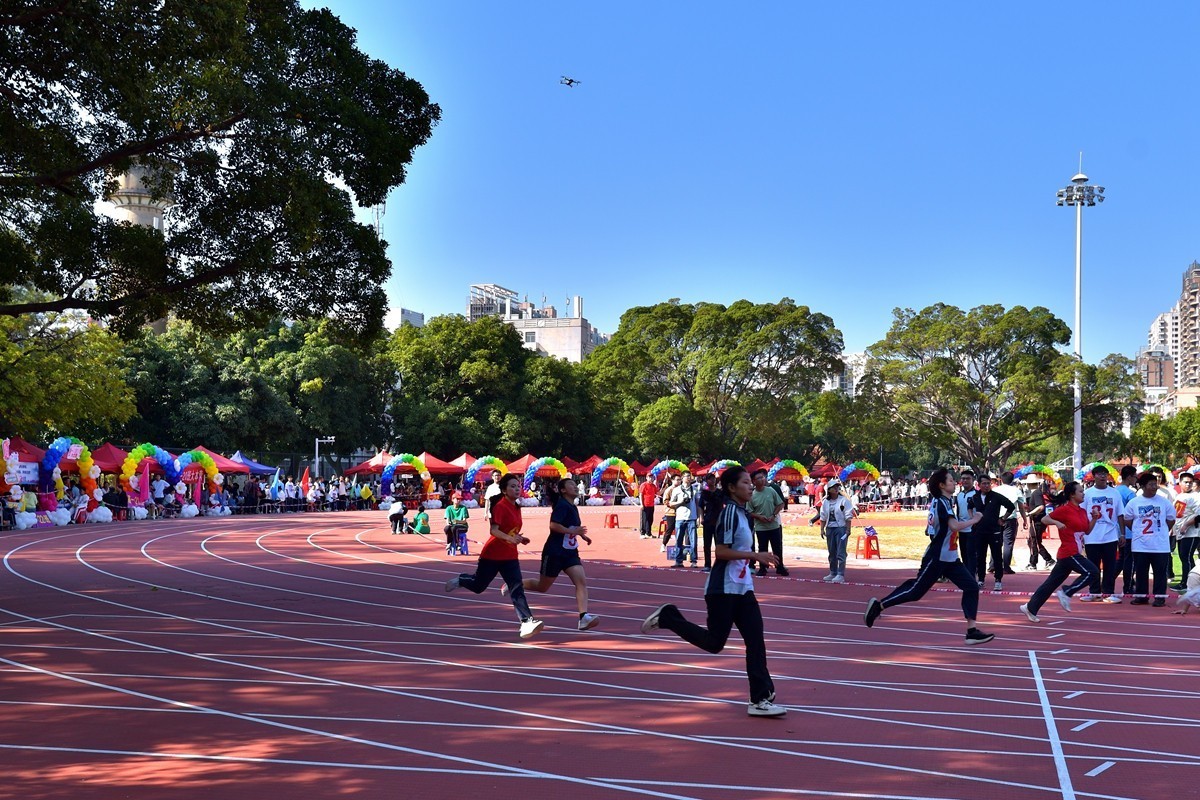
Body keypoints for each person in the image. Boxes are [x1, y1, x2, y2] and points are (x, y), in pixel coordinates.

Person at [640, 466, 787, 718]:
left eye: (751, 482)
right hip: (722, 589)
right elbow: (721, 552)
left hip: (743, 589)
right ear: (731, 487)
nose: (751, 486)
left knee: (755, 640)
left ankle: (760, 697)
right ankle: (669, 618)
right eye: (745, 483)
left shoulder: (743, 512)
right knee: (714, 644)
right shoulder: (729, 513)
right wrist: (755, 555)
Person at [864, 468, 995, 645]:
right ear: (941, 485)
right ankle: (879, 606)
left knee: (971, 587)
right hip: (937, 557)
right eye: (950, 480)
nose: (954, 483)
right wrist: (975, 519)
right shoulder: (941, 503)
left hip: (950, 558)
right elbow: (954, 526)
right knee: (915, 592)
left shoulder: (947, 502)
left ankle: (971, 631)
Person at [445, 473, 544, 638]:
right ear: (504, 490)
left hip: (510, 555)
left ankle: (526, 621)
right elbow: (494, 530)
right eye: (512, 486)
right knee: (479, 586)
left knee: (516, 586)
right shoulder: (500, 506)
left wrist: (519, 538)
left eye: (518, 486)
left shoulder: (516, 507)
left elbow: (511, 530)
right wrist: (510, 538)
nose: (517, 489)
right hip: (492, 554)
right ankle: (462, 580)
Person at [504, 477, 599, 630]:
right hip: (554, 552)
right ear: (563, 490)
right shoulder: (562, 505)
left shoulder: (572, 506)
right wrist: (572, 531)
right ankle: (514, 584)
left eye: (576, 485)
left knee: (581, 582)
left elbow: (573, 526)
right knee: (542, 587)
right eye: (571, 485)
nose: (575, 487)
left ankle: (583, 617)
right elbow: (553, 525)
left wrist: (581, 535)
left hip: (570, 553)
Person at [1018, 481, 1102, 622]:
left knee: (1050, 584)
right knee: (1093, 572)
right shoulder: (1065, 510)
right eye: (1080, 491)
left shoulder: (1081, 511)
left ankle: (1030, 607)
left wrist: (1094, 519)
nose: (1084, 493)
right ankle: (1067, 592)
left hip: (1072, 553)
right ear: (1072, 495)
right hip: (1069, 552)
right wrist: (1056, 523)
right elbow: (1045, 519)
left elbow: (1087, 531)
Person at [1122, 471, 1176, 606]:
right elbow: (1127, 520)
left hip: (1160, 545)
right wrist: (1137, 530)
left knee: (1160, 573)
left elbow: (1171, 520)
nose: (1154, 487)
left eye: (1155, 484)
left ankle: (1159, 597)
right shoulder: (1134, 502)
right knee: (1141, 572)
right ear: (1143, 486)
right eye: (1151, 484)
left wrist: (1162, 531)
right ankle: (1141, 596)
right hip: (1140, 544)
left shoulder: (1164, 502)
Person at [1081, 465, 1127, 602]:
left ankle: (1108, 592)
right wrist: (1082, 533)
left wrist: (1122, 534)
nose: (1102, 476)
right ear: (1094, 476)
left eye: (1105, 474)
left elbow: (1120, 515)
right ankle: (1094, 592)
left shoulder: (1114, 493)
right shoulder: (1088, 493)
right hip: (1092, 535)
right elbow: (1082, 514)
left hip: (1110, 535)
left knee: (1110, 565)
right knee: (1093, 565)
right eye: (1099, 474)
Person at [968, 473, 1015, 591]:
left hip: (994, 530)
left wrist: (1003, 519)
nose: (986, 486)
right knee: (980, 556)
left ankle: (998, 580)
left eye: (988, 483)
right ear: (978, 485)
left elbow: (1011, 507)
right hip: (979, 531)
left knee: (997, 556)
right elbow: (969, 506)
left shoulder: (996, 496)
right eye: (984, 483)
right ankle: (981, 579)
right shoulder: (975, 497)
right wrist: (973, 518)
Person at [748, 469, 788, 577]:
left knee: (777, 547)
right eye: (759, 478)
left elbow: (780, 504)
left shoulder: (771, 491)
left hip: (774, 525)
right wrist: (759, 517)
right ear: (753, 481)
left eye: (762, 477)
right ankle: (763, 567)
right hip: (761, 527)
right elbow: (749, 511)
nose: (762, 479)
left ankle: (779, 567)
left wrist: (774, 515)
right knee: (762, 548)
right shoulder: (751, 495)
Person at [817, 480, 855, 583]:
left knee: (840, 552)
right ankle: (832, 572)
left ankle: (840, 574)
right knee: (831, 552)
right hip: (830, 528)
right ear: (829, 490)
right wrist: (822, 529)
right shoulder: (826, 502)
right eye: (834, 487)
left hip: (841, 528)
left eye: (837, 487)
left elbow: (848, 515)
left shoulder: (844, 501)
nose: (836, 489)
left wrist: (848, 529)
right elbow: (823, 516)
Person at [992, 471, 1028, 575]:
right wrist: (1025, 519)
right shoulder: (1016, 491)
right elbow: (1021, 507)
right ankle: (1006, 566)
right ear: (1012, 480)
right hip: (1010, 519)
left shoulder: (995, 490)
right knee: (1008, 543)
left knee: (995, 542)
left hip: (996, 519)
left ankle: (992, 565)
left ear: (1001, 480)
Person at [1174, 472, 1200, 592]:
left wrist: (1186, 525)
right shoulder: (1180, 496)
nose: (1188, 484)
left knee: (1187, 557)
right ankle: (1186, 582)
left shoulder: (1196, 497)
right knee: (1183, 557)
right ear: (1180, 482)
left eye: (1190, 482)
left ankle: (1187, 584)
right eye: (1185, 482)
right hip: (1181, 533)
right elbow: (1178, 514)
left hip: (1192, 532)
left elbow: (1198, 515)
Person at [668, 472, 700, 568]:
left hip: (692, 518)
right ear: (682, 478)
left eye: (690, 476)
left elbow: (698, 505)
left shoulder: (694, 490)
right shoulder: (676, 490)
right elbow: (671, 503)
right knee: (679, 540)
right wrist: (680, 502)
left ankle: (694, 561)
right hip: (680, 518)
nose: (689, 478)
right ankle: (679, 561)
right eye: (687, 476)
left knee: (693, 541)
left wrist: (698, 517)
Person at [1116, 465, 1139, 598]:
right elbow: (1133, 512)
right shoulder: (1130, 493)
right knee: (1129, 561)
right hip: (1129, 531)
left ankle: (1106, 582)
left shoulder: (1115, 490)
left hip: (1118, 530)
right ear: (1130, 477)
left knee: (1121, 560)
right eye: (1135, 476)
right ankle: (1128, 586)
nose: (1135, 479)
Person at [953, 470, 979, 582]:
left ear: (973, 480)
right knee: (964, 553)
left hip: (973, 529)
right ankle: (967, 575)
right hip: (962, 529)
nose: (965, 481)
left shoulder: (977, 495)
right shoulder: (959, 495)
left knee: (971, 554)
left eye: (967, 478)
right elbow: (958, 512)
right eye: (963, 478)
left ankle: (972, 576)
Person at [1025, 481, 1056, 571]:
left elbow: (1040, 507)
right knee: (1034, 541)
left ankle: (1041, 561)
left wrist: (1030, 513)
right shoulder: (1035, 493)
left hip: (1037, 521)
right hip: (1038, 520)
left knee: (1034, 542)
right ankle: (1038, 561)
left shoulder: (1036, 493)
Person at [698, 472, 724, 572]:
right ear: (706, 481)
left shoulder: (720, 492)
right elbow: (700, 506)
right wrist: (701, 518)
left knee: (719, 544)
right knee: (707, 544)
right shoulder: (704, 493)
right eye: (709, 479)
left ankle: (719, 564)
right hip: (708, 521)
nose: (711, 481)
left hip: (719, 521)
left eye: (713, 479)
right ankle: (707, 564)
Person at [660, 474, 681, 552]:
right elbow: (665, 501)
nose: (679, 481)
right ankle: (663, 544)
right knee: (670, 529)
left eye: (680, 480)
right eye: (677, 480)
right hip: (671, 512)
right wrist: (674, 505)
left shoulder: (681, 489)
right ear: (672, 480)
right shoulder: (669, 490)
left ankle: (678, 545)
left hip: (680, 513)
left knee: (680, 530)